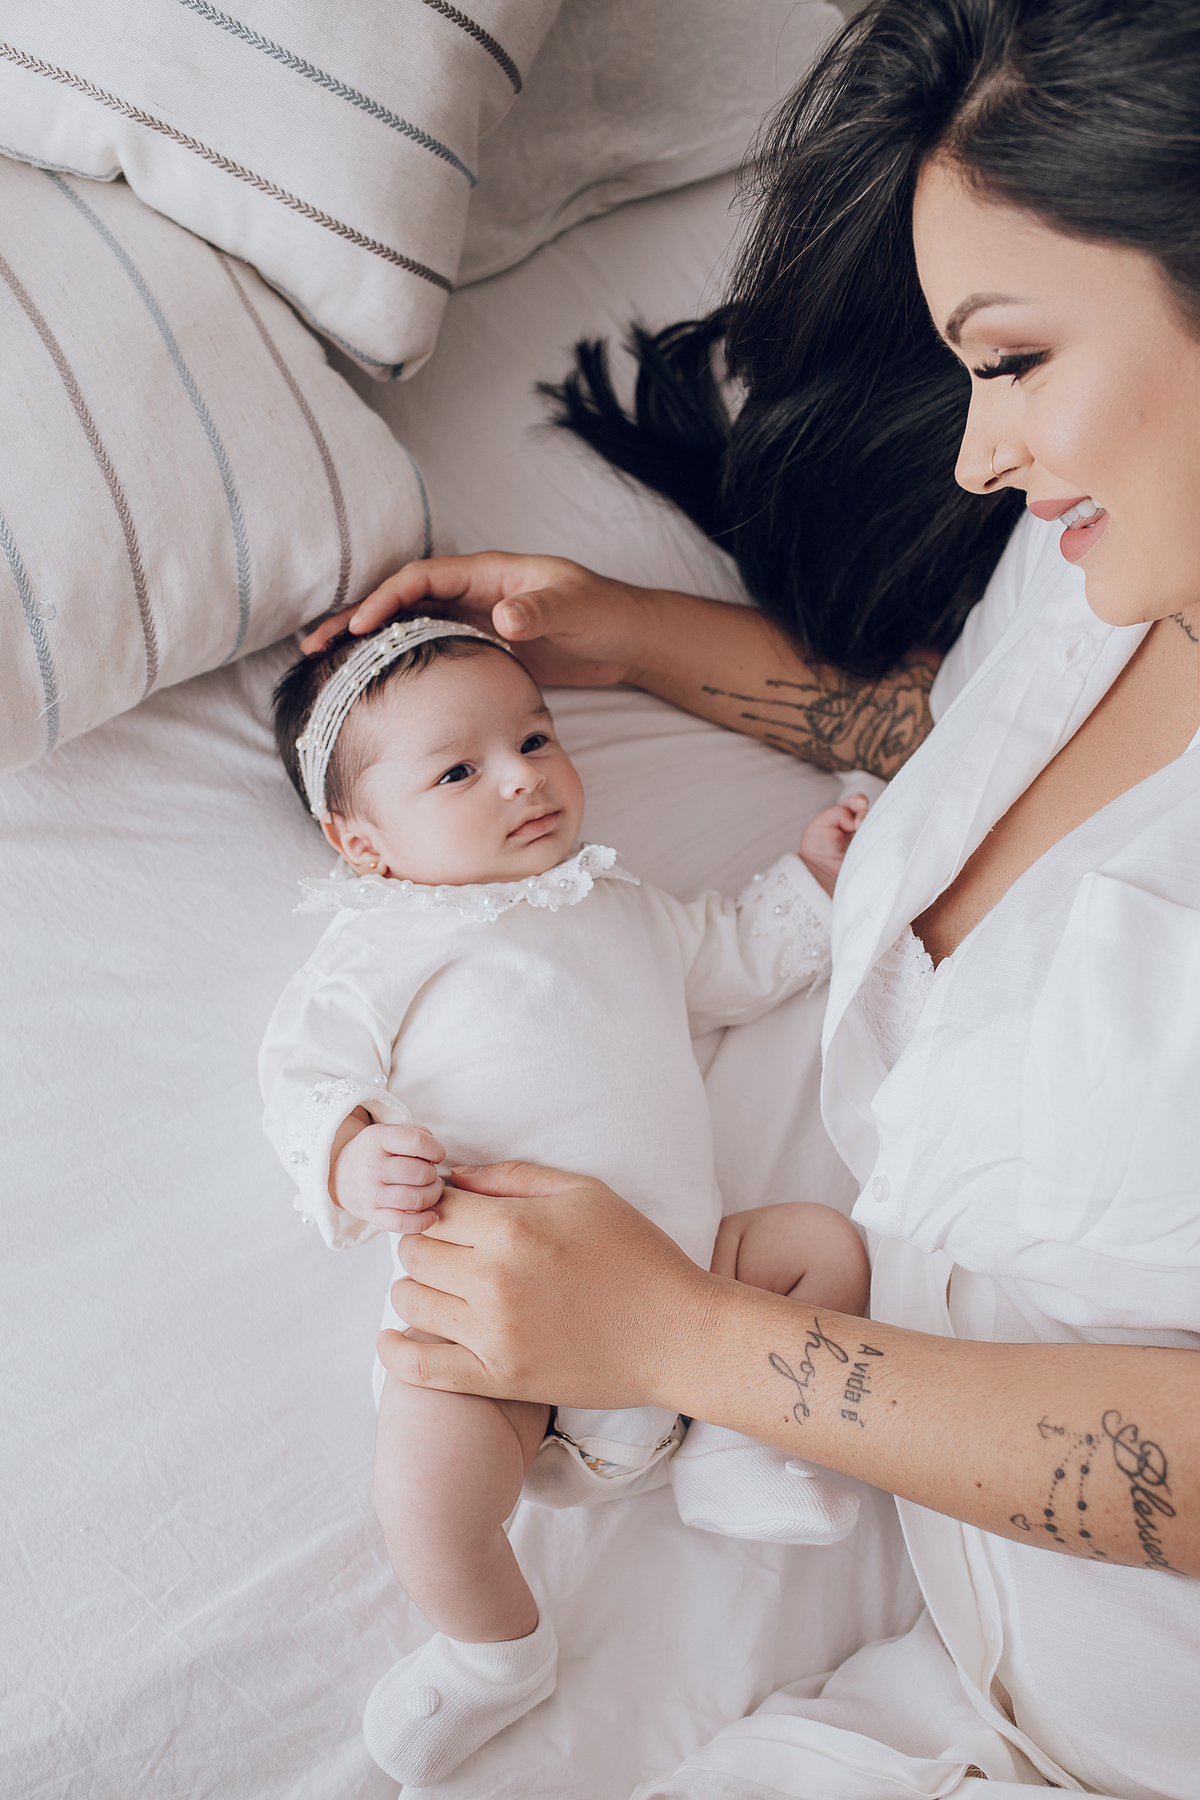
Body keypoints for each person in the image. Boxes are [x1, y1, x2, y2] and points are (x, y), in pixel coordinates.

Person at [307, 2, 1200, 1794]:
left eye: (1014, 358)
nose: (977, 455)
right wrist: (624, 640)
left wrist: (684, 1341)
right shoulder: (1100, 564)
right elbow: (959, 753)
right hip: (942, 1691)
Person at [259, 615, 872, 1787]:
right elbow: (303, 1070)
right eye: (459, 771)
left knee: (822, 1251)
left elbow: (734, 960)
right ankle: (495, 1650)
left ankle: (733, 1441)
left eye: (535, 738)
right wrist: (351, 1155)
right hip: (496, 1332)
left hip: (690, 1283)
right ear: (363, 843)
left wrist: (813, 878)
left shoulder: (620, 901)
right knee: (425, 1491)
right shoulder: (384, 941)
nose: (522, 777)